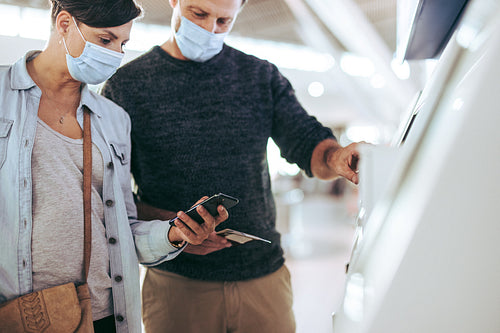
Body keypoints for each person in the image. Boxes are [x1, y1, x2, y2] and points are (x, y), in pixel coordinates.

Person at [102, 0, 361, 331]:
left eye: (224, 20)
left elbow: (307, 141)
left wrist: (335, 157)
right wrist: (177, 229)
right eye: (199, 14)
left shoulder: (260, 77)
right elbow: (112, 197)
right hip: (177, 284)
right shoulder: (126, 87)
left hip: (262, 279)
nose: (210, 29)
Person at [0, 1, 230, 332]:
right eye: (106, 40)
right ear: (64, 24)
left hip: (106, 313)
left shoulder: (113, 119)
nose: (115, 55)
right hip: (25, 315)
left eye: (123, 44)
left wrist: (175, 232)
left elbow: (122, 226)